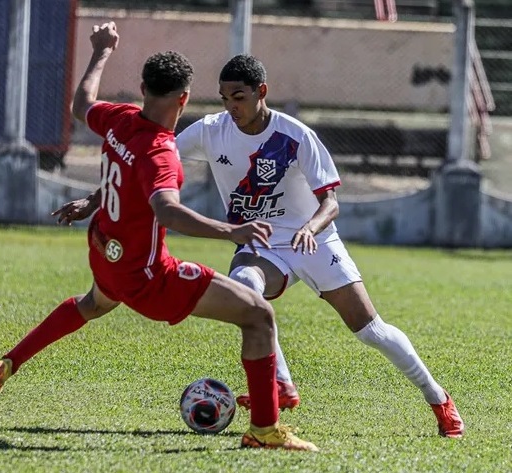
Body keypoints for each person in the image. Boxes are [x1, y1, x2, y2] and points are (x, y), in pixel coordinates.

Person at [0, 23, 319, 452]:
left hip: (106, 253)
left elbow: (81, 105)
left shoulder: (119, 118)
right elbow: (166, 208)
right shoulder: (160, 151)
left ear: (143, 88)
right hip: (150, 278)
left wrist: (101, 51)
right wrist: (233, 231)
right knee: (259, 315)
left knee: (93, 303)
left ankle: (8, 362)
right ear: (184, 98)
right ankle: (265, 430)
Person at [173, 54, 464, 438]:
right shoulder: (212, 131)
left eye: (239, 97)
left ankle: (438, 397)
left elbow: (331, 202)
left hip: (314, 239)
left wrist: (310, 227)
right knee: (244, 287)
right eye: (224, 98)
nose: (231, 107)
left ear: (262, 92)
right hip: (262, 242)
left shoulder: (295, 136)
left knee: (370, 331)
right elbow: (158, 157)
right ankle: (281, 386)